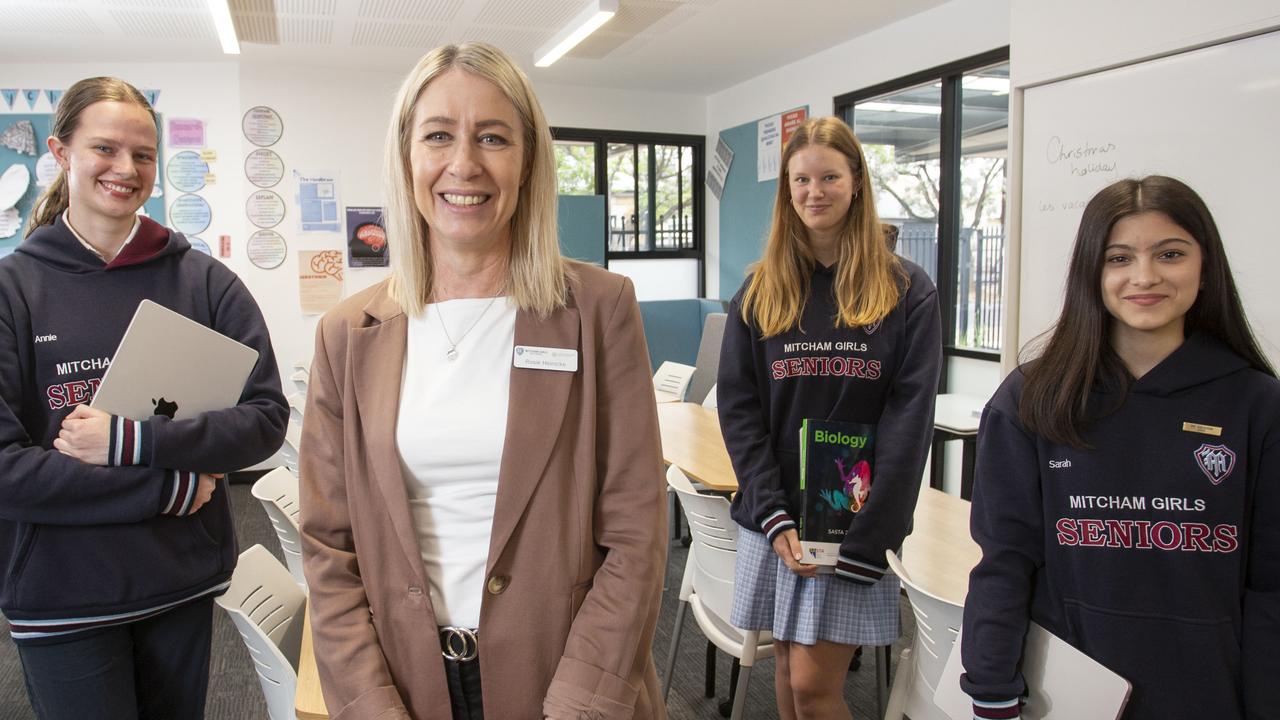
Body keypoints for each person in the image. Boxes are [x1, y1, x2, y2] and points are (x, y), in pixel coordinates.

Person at [298, 42, 667, 720]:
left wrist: (582, 700)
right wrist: (370, 704)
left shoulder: (598, 310)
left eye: (492, 137)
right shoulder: (348, 335)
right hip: (409, 686)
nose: (463, 164)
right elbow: (329, 545)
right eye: (438, 135)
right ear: (407, 156)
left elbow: (638, 529)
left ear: (527, 162)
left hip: (564, 678)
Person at [0, 77, 288, 718]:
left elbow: (265, 420)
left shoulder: (205, 282)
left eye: (144, 155)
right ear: (60, 152)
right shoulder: (12, 292)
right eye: (105, 148)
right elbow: (6, 469)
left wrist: (132, 441)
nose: (126, 170)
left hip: (178, 580)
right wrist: (166, 489)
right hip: (63, 592)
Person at [961, 176, 1280, 720]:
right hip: (1065, 691)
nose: (1145, 276)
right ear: (1093, 272)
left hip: (1208, 694)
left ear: (1206, 269)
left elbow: (1270, 587)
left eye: (1170, 254)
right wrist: (992, 688)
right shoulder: (1032, 399)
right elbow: (1005, 559)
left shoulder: (1256, 404)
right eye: (1119, 258)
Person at [717, 116, 942, 720]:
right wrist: (772, 512)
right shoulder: (760, 292)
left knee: (816, 690)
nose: (815, 191)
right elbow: (739, 411)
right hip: (777, 520)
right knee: (789, 677)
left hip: (851, 524)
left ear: (857, 182)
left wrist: (873, 533)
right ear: (787, 192)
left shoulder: (905, 290)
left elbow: (909, 420)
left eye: (829, 177)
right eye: (801, 180)